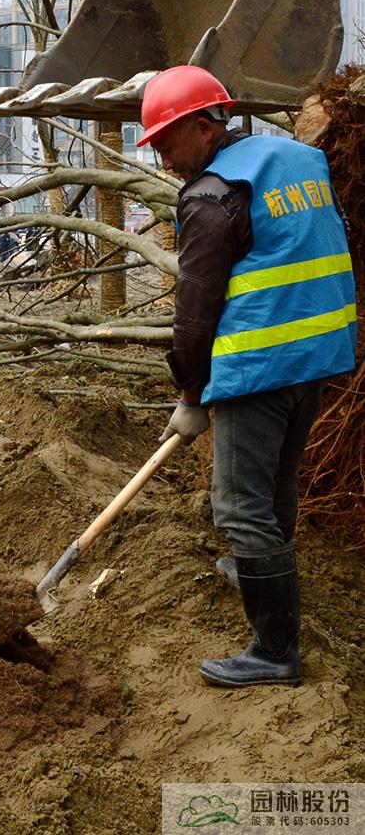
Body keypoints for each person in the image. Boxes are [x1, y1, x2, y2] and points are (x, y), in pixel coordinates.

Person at [140, 65, 357, 688]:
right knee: (275, 484)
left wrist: (190, 389)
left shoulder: (212, 194)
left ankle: (273, 651)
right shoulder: (297, 160)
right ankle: (262, 569)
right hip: (317, 353)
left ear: (205, 127)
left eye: (166, 141)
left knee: (237, 506)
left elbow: (195, 307)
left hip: (260, 364)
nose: (161, 157)